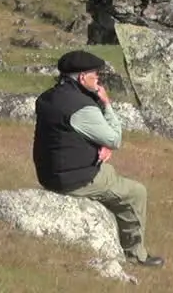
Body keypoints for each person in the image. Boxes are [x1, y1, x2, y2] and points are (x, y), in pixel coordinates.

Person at [33, 50, 164, 268]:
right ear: (83, 78)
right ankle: (136, 255)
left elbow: (64, 134)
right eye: (95, 75)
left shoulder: (47, 97)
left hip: (48, 173)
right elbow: (115, 139)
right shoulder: (82, 106)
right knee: (136, 193)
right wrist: (106, 104)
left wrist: (97, 146)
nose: (99, 79)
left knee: (109, 173)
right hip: (75, 179)